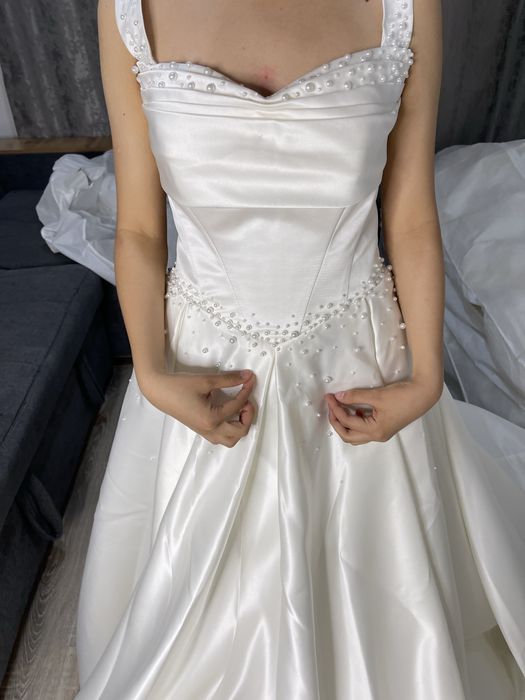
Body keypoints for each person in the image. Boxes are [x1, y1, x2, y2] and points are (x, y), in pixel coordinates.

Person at [74, 0, 525, 697]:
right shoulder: (128, 7)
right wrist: (154, 375)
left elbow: (409, 215)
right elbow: (137, 227)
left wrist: (426, 377)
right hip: (202, 365)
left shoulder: (407, 6)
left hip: (356, 363)